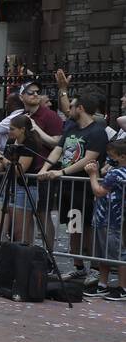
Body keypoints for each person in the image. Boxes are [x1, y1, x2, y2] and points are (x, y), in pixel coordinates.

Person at [35, 83, 108, 282]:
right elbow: (58, 150)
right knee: (73, 225)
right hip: (67, 186)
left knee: (88, 227)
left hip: (85, 187)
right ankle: (78, 265)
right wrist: (44, 169)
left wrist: (61, 171)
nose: (70, 110)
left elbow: (89, 158)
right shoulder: (71, 128)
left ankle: (93, 266)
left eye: (73, 106)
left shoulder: (97, 131)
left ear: (81, 108)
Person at [0, 114, 41, 248]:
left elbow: (19, 171)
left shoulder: (30, 144)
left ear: (22, 129)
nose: (9, 131)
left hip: (23, 189)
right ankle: (9, 254)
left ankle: (20, 263)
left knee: (20, 234)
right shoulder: (11, 142)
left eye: (12, 129)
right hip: (6, 187)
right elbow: (2, 168)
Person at [83, 139, 126, 300]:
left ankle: (123, 288)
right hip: (110, 217)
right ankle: (103, 285)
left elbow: (99, 191)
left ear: (121, 157)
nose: (109, 159)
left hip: (109, 217)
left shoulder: (116, 173)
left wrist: (92, 175)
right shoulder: (119, 171)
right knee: (103, 253)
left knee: (117, 254)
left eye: (112, 156)